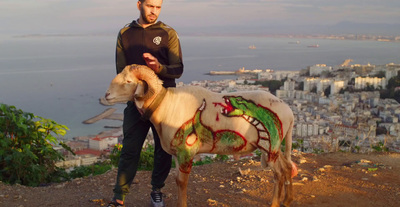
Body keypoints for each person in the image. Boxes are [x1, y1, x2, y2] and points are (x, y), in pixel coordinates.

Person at [108, 0, 183, 206]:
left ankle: (157, 190)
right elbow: (122, 74)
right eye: (150, 6)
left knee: (163, 149)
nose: (154, 11)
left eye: (158, 7)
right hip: (135, 103)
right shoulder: (125, 33)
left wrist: (158, 67)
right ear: (139, 4)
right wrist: (136, 100)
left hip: (164, 104)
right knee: (130, 149)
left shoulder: (169, 33)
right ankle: (118, 196)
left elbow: (178, 69)